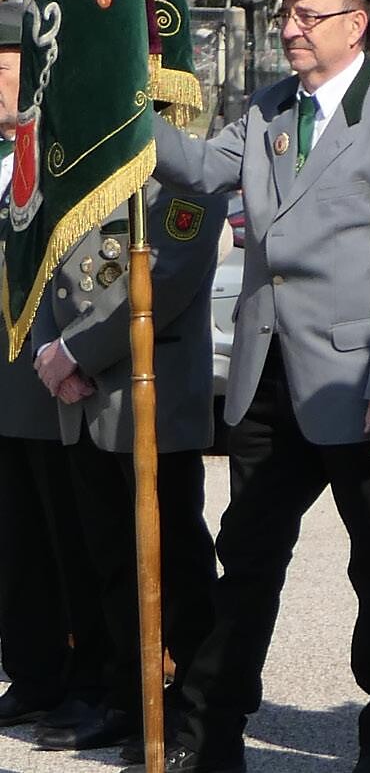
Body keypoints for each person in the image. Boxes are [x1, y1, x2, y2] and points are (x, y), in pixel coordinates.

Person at [150, 0, 370, 773]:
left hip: (357, 381)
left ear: (356, 25)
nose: (290, 26)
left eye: (308, 15)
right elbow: (202, 167)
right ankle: (214, 731)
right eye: (286, 12)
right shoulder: (270, 107)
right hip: (266, 376)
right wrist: (126, 115)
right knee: (246, 556)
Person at [27, 179, 224, 758]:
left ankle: (192, 705)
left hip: (148, 400)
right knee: (109, 557)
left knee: (175, 559)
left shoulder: (188, 183)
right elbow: (40, 271)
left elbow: (165, 281)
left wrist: (75, 352)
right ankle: (126, 698)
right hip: (81, 396)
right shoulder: (82, 177)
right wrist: (51, 352)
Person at [0, 0, 109, 740]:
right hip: (5, 389)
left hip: (45, 376)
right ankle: (33, 671)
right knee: (15, 540)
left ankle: (88, 677)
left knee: (68, 535)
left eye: (2, 64)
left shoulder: (58, 153)